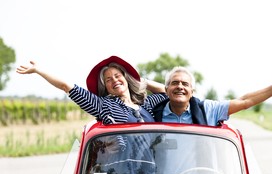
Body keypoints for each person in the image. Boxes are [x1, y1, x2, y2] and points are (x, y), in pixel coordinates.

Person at [16, 55, 167, 124]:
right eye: (108, 80)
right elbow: (66, 86)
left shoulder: (145, 103)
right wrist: (38, 70)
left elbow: (166, 92)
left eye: (117, 76)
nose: (114, 80)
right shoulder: (103, 106)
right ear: (106, 87)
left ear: (125, 78)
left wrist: (140, 81)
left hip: (152, 172)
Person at [152, 64, 272, 126]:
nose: (180, 87)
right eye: (175, 83)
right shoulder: (152, 113)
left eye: (185, 84)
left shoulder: (208, 110)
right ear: (165, 90)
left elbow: (245, 101)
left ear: (192, 91)